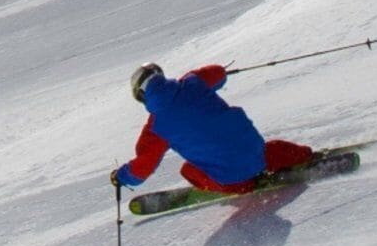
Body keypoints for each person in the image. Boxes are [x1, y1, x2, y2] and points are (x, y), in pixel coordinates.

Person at [111, 61, 319, 195]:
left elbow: (142, 168)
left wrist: (121, 177)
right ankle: (304, 156)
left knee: (189, 170)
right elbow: (218, 73)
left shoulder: (155, 128)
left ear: (140, 95)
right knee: (268, 151)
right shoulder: (192, 81)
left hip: (229, 174)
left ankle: (246, 185)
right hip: (255, 151)